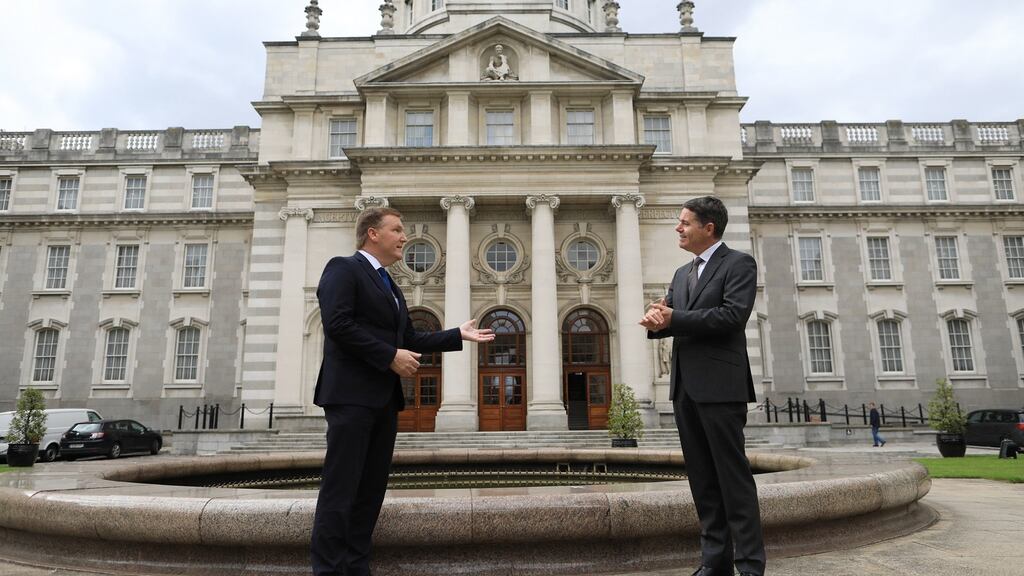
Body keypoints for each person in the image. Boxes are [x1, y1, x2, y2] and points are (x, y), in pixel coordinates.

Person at [311, 207, 495, 576]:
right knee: (341, 489)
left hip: (382, 400)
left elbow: (408, 338)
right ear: (372, 234)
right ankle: (329, 571)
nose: (404, 236)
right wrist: (389, 357)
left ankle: (357, 567)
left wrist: (456, 334)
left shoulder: (389, 284)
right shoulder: (343, 268)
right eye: (397, 229)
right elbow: (338, 324)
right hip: (350, 397)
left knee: (369, 493)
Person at [639, 196, 766, 576]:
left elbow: (731, 316)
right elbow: (676, 319)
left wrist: (674, 316)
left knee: (733, 478)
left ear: (708, 228)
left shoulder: (739, 264)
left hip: (721, 388)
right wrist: (656, 319)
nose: (678, 228)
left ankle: (749, 566)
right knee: (703, 482)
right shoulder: (681, 274)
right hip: (685, 389)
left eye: (685, 223)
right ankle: (715, 563)